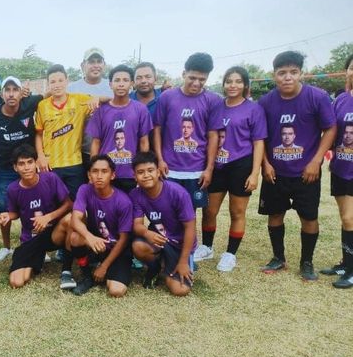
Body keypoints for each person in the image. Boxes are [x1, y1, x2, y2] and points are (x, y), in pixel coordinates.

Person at [258, 50, 336, 280]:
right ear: (274, 75)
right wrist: (265, 164)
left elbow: (330, 128)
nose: (287, 77)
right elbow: (259, 137)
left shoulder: (317, 97)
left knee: (309, 217)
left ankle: (307, 262)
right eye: (282, 72)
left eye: (293, 72)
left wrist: (316, 161)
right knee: (275, 214)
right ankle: (278, 257)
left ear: (301, 73)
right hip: (275, 172)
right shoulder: (266, 102)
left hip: (306, 173)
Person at [197, 66, 267, 271]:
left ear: (245, 85)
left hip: (241, 165)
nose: (233, 85)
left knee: (237, 212)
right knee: (209, 210)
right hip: (218, 165)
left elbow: (259, 143)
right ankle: (207, 247)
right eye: (229, 81)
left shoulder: (253, 109)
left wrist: (255, 173)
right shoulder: (217, 107)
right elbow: (211, 137)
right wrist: (209, 167)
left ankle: (230, 254)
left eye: (238, 81)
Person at [153, 53, 223, 217]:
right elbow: (157, 129)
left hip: (196, 170)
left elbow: (213, 136)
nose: (196, 83)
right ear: (184, 74)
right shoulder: (167, 97)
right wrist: (160, 160)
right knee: (166, 211)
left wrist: (209, 169)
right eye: (192, 78)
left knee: (189, 214)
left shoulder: (213, 100)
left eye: (202, 79)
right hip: (169, 169)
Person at [0, 145, 75, 289]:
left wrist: (48, 217)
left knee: (70, 219)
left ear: (36, 163)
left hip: (53, 234)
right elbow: (16, 212)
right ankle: (37, 259)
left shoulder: (50, 178)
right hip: (31, 238)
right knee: (17, 281)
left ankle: (66, 270)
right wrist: (8, 216)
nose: (26, 167)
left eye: (30, 162)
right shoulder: (13, 189)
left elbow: (69, 204)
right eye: (21, 164)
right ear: (15, 167)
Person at [0, 76, 43, 262]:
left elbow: (51, 94)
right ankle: (6, 247)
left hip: (29, 165)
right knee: (3, 206)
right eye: (7, 90)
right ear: (1, 94)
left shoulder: (30, 103)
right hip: (5, 168)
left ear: (21, 93)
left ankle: (37, 244)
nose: (11, 94)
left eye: (15, 90)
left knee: (35, 204)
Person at [130, 152, 196, 296]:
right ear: (134, 176)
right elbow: (137, 225)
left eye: (150, 170)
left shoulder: (177, 193)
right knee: (138, 246)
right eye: (140, 172)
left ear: (158, 172)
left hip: (179, 244)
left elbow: (190, 228)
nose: (146, 175)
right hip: (159, 239)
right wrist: (147, 233)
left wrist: (183, 262)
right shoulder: (135, 194)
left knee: (180, 290)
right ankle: (155, 268)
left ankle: (172, 265)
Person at [70, 155, 133, 297]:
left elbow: (124, 239)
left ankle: (104, 268)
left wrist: (104, 267)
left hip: (117, 249)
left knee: (116, 291)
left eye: (104, 171)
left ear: (112, 175)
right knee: (75, 237)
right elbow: (75, 219)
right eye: (95, 171)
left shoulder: (123, 201)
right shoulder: (85, 189)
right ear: (89, 175)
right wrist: (89, 237)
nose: (99, 176)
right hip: (97, 243)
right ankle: (87, 275)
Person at [35, 64, 99, 200]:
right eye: (53, 82)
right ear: (48, 84)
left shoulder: (80, 100)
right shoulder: (42, 105)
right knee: (51, 203)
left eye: (60, 80)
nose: (57, 85)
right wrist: (40, 156)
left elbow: (108, 100)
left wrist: (97, 98)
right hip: (50, 165)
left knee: (76, 203)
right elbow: (39, 134)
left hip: (74, 164)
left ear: (67, 81)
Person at [87, 64, 152, 193]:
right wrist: (94, 170)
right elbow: (95, 143)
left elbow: (144, 142)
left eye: (125, 80)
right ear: (110, 84)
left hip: (130, 174)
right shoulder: (101, 110)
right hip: (105, 173)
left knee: (130, 205)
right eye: (117, 80)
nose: (121, 84)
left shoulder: (140, 109)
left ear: (132, 83)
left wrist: (142, 170)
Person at [321, 53, 353, 288]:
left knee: (350, 218)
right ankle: (346, 263)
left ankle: (351, 270)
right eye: (352, 67)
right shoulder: (341, 99)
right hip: (341, 167)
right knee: (345, 219)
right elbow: (331, 131)